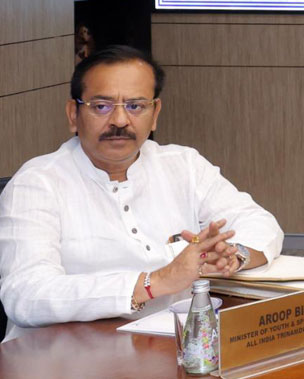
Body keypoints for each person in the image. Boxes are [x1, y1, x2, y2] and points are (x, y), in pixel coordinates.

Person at [0, 46, 283, 340]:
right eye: (101, 106)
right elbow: (25, 294)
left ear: (155, 113)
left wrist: (231, 256)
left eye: (135, 106)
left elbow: (259, 222)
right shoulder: (36, 184)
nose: (120, 121)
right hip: (62, 354)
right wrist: (153, 283)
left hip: (167, 345)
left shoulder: (183, 164)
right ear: (74, 114)